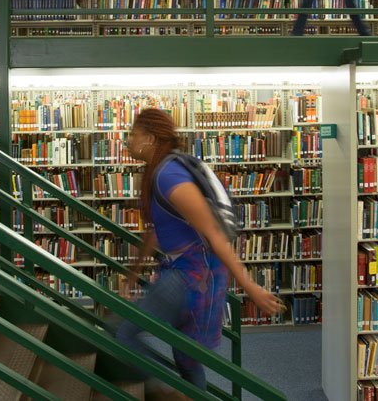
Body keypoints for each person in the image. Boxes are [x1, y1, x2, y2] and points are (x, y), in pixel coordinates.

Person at [115, 108, 282, 396]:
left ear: (150, 138)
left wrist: (250, 286)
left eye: (133, 134)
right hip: (183, 269)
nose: (127, 141)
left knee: (124, 334)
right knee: (186, 356)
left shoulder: (169, 176)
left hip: (192, 273)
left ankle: (168, 392)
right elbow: (155, 231)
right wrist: (132, 276)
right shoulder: (158, 172)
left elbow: (213, 233)